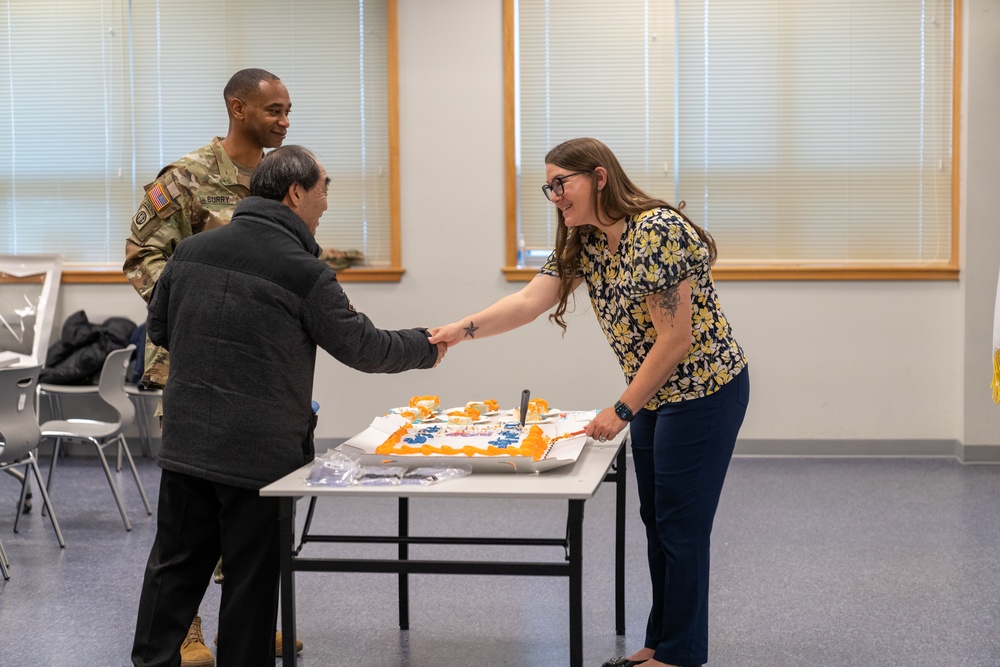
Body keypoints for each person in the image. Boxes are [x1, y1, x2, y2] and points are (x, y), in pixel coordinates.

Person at [428, 137, 749, 667]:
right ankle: (659, 644)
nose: (554, 194)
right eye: (547, 186)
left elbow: (676, 339)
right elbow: (530, 300)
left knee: (681, 525)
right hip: (657, 394)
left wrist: (621, 409)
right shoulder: (587, 239)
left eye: (562, 182)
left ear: (600, 177)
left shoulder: (656, 231)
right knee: (657, 519)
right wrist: (459, 332)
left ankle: (681, 656)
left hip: (703, 392)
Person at [131, 144, 446, 667]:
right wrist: (427, 345)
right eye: (324, 191)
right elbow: (363, 348)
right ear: (296, 193)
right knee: (251, 587)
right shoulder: (305, 273)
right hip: (258, 458)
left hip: (186, 442)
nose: (326, 204)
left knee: (173, 572)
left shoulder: (190, 252)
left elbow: (161, 329)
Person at [123, 68, 295, 666]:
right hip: (192, 365)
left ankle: (244, 627)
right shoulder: (186, 178)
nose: (283, 120)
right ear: (237, 107)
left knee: (251, 502)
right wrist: (193, 312)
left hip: (261, 368)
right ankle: (186, 628)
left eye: (287, 110)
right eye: (273, 110)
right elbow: (141, 252)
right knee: (192, 511)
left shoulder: (276, 183)